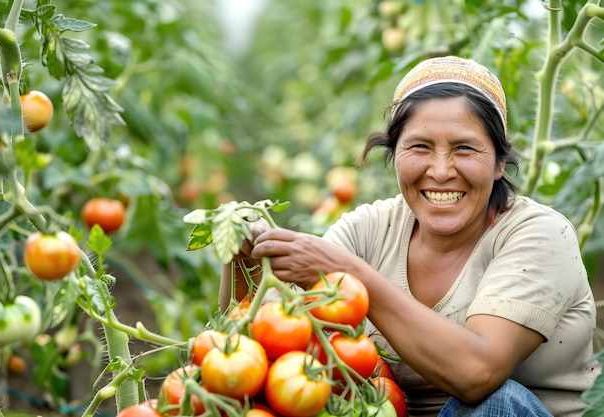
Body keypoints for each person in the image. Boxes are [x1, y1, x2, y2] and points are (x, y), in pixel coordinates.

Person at [219, 56, 600, 416]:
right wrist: (245, 258)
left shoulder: (539, 234)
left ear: (500, 162)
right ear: (394, 154)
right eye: (419, 147)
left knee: (495, 405)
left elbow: (477, 374)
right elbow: (259, 345)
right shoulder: (368, 230)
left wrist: (351, 276)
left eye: (464, 148)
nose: (440, 170)